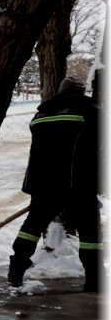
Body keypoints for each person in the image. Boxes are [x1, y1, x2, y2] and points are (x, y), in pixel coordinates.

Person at [8, 76, 102, 291]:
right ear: (81, 91)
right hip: (77, 182)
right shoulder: (89, 109)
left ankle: (16, 268)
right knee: (90, 232)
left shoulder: (42, 112)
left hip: (43, 183)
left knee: (31, 227)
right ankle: (95, 279)